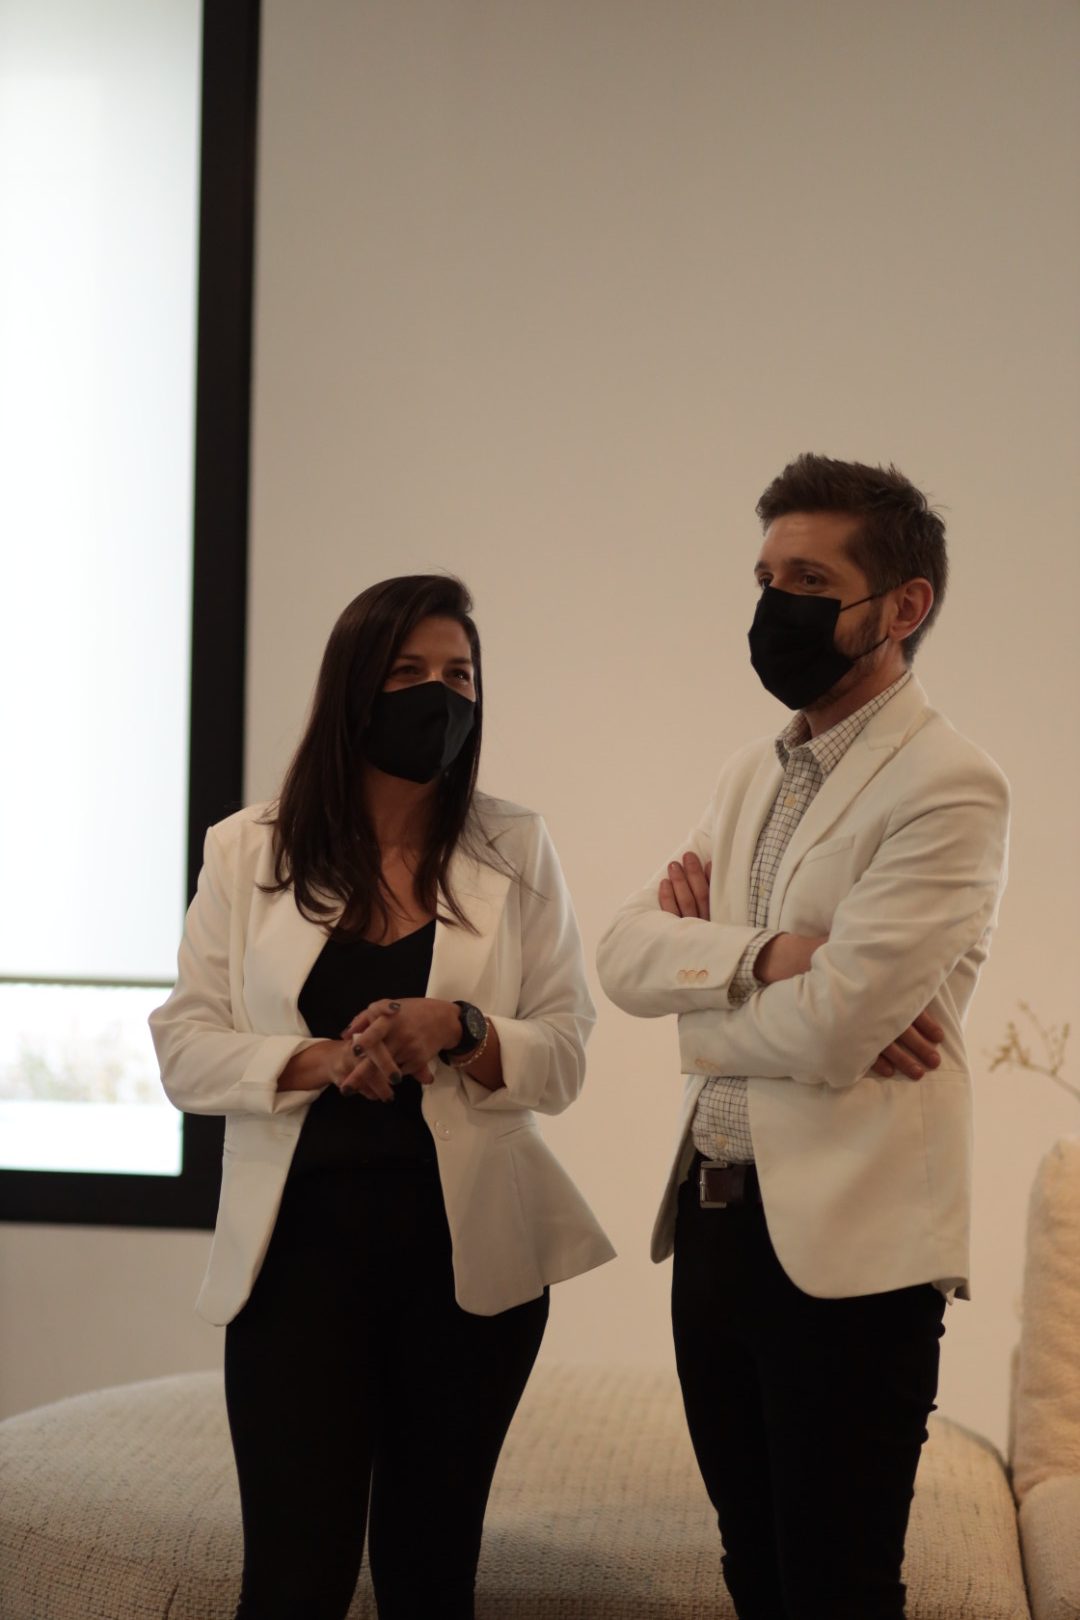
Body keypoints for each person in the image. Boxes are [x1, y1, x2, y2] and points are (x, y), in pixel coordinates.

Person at [150, 574, 613, 1620]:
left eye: (460, 675)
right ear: (354, 689)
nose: (439, 695)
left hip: (466, 1266)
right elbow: (185, 1049)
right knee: (292, 1581)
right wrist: (319, 1061)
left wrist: (462, 1026)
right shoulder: (250, 847)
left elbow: (565, 1055)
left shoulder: (514, 845)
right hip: (297, 1258)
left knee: (429, 1578)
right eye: (408, 673)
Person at [596, 454, 1009, 1620]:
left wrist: (702, 986)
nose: (776, 604)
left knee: (836, 1591)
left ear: (903, 606)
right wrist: (769, 953)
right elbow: (622, 954)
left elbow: (837, 1030)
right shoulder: (750, 774)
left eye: (811, 581)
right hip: (714, 1227)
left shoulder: (950, 785)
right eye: (767, 578)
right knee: (754, 1576)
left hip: (850, 1255)